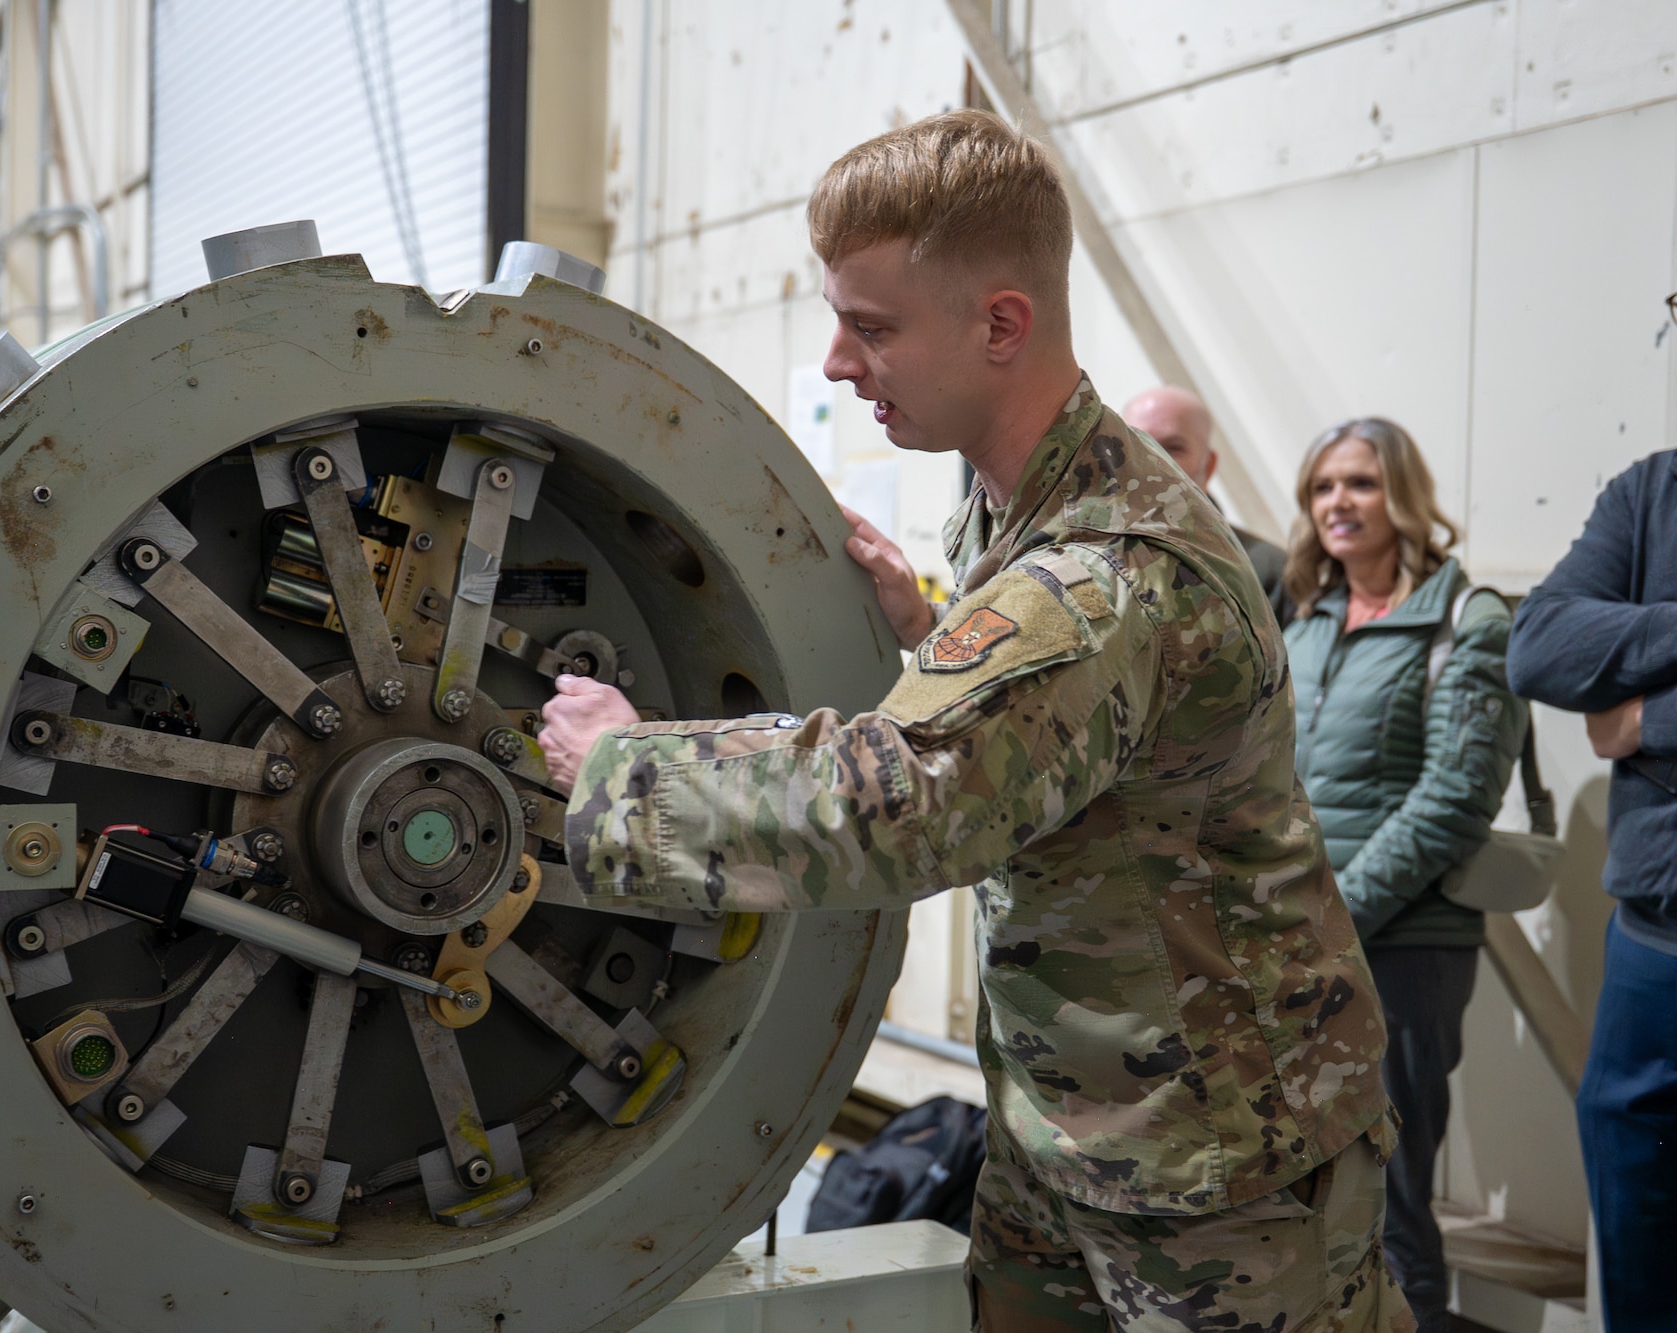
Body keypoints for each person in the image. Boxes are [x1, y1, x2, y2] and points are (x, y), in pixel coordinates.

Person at [539, 110, 1408, 1333]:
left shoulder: (1097, 574)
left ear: (999, 323)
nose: (839, 362)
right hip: (1074, 1118)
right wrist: (931, 622)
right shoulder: (1036, 515)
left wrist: (621, 766)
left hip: (1214, 1157)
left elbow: (902, 807)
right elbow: (1065, 709)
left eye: (871, 327)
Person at [1280, 418, 1526, 1333]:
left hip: (1405, 945)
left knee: (1392, 1187)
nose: (1338, 503)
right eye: (1322, 487)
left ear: (1406, 498)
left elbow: (1457, 794)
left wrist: (1335, 908)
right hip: (1297, 934)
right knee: (1300, 1192)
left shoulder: (1470, 617)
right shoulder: (1305, 616)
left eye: (1362, 483)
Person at [1503, 446, 1677, 1332]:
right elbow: (1538, 646)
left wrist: (1649, 714)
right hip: (1653, 944)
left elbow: (1608, 694)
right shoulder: (1650, 490)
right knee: (1639, 1234)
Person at [1122, 385, 1294, 627]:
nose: (1153, 459)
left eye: (1173, 447)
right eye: (1139, 443)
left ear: (1209, 466)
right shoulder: (1087, 551)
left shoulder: (1266, 570)